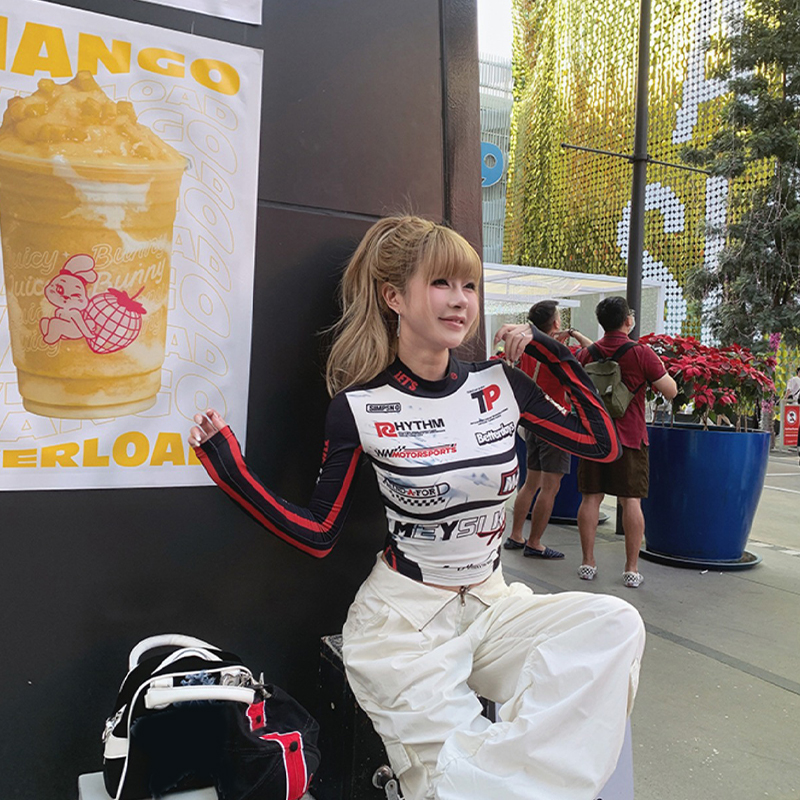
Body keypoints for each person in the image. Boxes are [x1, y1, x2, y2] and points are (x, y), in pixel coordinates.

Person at [188, 216, 645, 800]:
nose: (460, 301)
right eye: (441, 284)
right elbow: (319, 533)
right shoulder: (361, 407)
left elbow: (602, 444)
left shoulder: (501, 384)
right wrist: (231, 471)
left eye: (470, 286)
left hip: (494, 606)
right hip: (404, 626)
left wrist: (548, 351)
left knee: (614, 626)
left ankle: (499, 778)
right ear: (394, 298)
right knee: (458, 776)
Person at [575, 296, 678, 589]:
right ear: (628, 321)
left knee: (590, 498)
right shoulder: (641, 353)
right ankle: (631, 569)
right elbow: (670, 390)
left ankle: (587, 563)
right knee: (631, 501)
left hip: (595, 436)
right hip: (630, 438)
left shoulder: (586, 355)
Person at [503, 299, 592, 559]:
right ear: (555, 323)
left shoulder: (528, 348)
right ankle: (535, 543)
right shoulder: (559, 351)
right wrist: (574, 334)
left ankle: (515, 535)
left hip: (532, 422)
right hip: (555, 424)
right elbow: (594, 351)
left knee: (531, 482)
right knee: (550, 487)